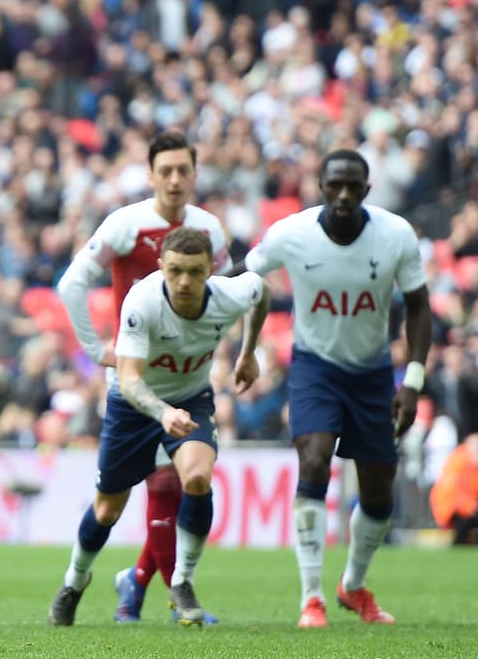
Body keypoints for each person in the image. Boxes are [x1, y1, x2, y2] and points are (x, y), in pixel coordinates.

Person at [245, 148, 432, 627]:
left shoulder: (394, 235)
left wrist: (411, 379)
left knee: (377, 492)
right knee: (313, 457)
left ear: (367, 191)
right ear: (321, 188)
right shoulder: (291, 234)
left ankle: (352, 586)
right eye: (335, 186)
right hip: (314, 366)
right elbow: (249, 276)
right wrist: (244, 347)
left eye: (354, 187)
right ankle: (311, 597)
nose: (344, 195)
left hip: (371, 373)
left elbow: (418, 306)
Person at [49, 227, 269, 627]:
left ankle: (182, 581)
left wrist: (248, 352)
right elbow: (130, 378)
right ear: (160, 267)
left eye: (195, 272)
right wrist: (162, 412)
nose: (184, 281)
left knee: (198, 478)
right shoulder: (142, 302)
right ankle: (73, 582)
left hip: (192, 397)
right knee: (107, 509)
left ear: (210, 271)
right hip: (132, 403)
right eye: (175, 271)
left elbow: (260, 292)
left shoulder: (230, 294)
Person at [56, 130, 231, 623]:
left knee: (180, 482)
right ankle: (102, 582)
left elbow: (232, 293)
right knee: (111, 506)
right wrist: (96, 350)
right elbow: (72, 283)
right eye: (165, 171)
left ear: (195, 175)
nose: (175, 180)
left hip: (187, 381)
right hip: (133, 384)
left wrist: (231, 353)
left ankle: (170, 590)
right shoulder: (125, 225)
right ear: (151, 175)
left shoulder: (210, 231)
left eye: (183, 171)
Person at [430, 433, 478, 546]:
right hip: (453, 508)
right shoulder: (459, 462)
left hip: (461, 507)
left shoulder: (466, 463)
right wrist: (471, 506)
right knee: (464, 527)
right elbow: (453, 492)